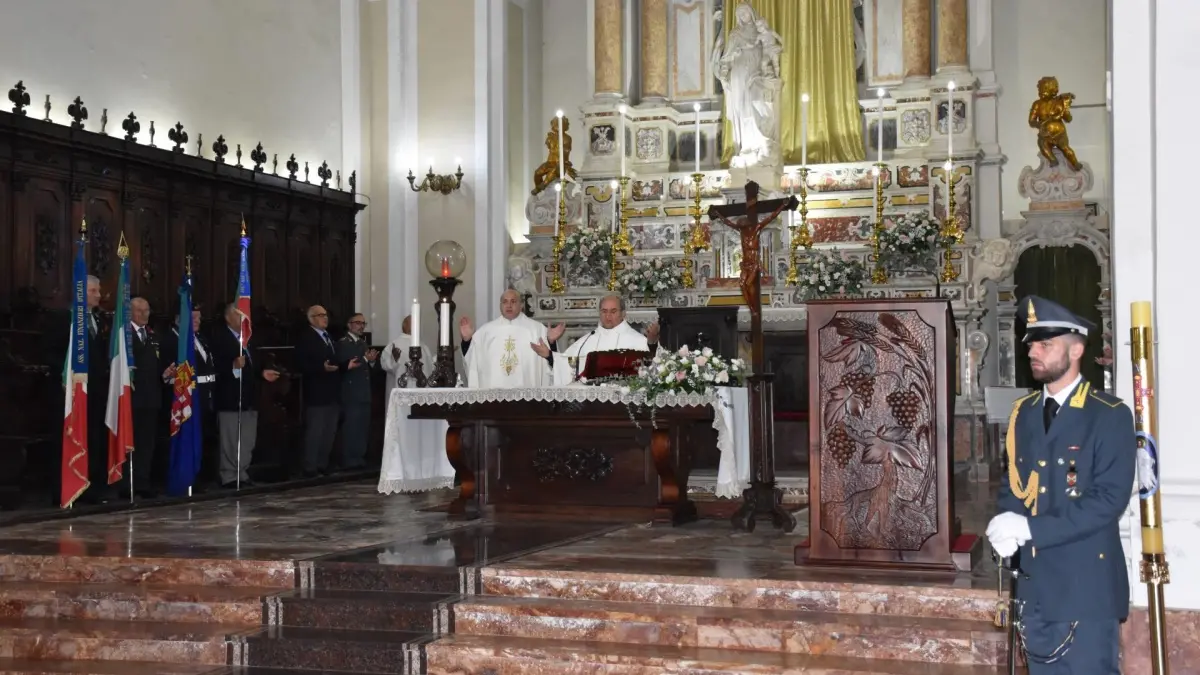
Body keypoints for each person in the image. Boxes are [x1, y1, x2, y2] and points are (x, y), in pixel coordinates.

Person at [986, 295, 1134, 675]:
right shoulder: (1024, 413)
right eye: (1032, 345)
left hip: (1085, 587)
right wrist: (1006, 523)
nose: (1033, 352)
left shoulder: (1108, 415)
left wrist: (1030, 528)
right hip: (1034, 585)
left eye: (1045, 345)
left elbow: (1108, 501)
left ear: (1076, 350)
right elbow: (1016, 484)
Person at [211, 303, 280, 488]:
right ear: (228, 318)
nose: (243, 318)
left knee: (247, 439)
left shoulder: (248, 339)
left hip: (250, 396)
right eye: (238, 315)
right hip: (229, 397)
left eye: (244, 315)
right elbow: (215, 367)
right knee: (230, 440)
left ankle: (242, 473)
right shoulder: (219, 339)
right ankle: (229, 476)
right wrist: (233, 366)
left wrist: (263, 373)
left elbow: (253, 365)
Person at [160, 303, 218, 488]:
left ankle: (200, 475)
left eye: (199, 317)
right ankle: (185, 477)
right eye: (193, 317)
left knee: (203, 437)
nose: (198, 321)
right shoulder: (171, 340)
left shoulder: (201, 338)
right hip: (184, 398)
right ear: (179, 319)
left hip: (204, 395)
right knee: (186, 438)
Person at [460, 289, 564, 388]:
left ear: (521, 305)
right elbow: (472, 360)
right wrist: (467, 340)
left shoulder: (537, 330)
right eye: (505, 302)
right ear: (500, 305)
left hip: (527, 395)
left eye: (513, 301)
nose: (509, 305)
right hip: (494, 396)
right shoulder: (486, 331)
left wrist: (551, 342)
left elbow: (552, 363)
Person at [550, 294, 660, 385]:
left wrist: (652, 341)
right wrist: (551, 346)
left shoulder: (638, 340)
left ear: (623, 314)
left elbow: (652, 370)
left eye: (613, 311)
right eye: (604, 311)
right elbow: (564, 363)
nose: (608, 316)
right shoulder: (588, 339)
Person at [295, 305, 342, 476]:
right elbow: (300, 363)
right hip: (316, 391)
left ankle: (323, 464)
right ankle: (310, 467)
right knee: (315, 431)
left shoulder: (328, 336)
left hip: (332, 391)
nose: (325, 318)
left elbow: (334, 360)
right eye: (321, 315)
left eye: (326, 314)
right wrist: (321, 368)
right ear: (311, 319)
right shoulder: (306, 337)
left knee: (329, 431)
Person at [128, 297, 165, 498]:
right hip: (131, 397)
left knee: (147, 442)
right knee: (130, 441)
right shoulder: (124, 335)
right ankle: (128, 483)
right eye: (139, 311)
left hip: (151, 397)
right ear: (130, 312)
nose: (144, 314)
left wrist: (165, 374)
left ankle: (143, 481)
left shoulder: (153, 335)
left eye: (147, 310)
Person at [335, 312, 379, 470]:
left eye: (363, 323)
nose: (361, 326)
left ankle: (359, 457)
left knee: (362, 426)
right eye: (358, 323)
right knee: (351, 427)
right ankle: (349, 459)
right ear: (349, 325)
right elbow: (347, 364)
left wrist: (372, 362)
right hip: (351, 392)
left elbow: (367, 368)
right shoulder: (344, 343)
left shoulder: (362, 343)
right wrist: (366, 359)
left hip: (363, 391)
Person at [380, 314, 433, 386]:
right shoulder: (394, 345)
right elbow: (385, 366)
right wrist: (394, 360)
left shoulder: (423, 346)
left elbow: (430, 368)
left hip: (412, 389)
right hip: (405, 388)